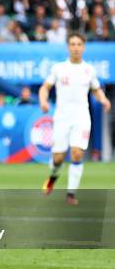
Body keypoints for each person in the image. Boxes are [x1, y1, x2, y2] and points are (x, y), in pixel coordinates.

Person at [39, 33, 111, 205]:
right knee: (57, 158)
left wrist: (103, 99)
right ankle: (52, 178)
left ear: (83, 47)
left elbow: (96, 89)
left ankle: (70, 194)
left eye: (79, 44)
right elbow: (44, 87)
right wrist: (43, 101)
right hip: (62, 117)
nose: (76, 47)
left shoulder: (89, 70)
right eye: (72, 44)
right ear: (68, 47)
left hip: (81, 117)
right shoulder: (59, 68)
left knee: (77, 154)